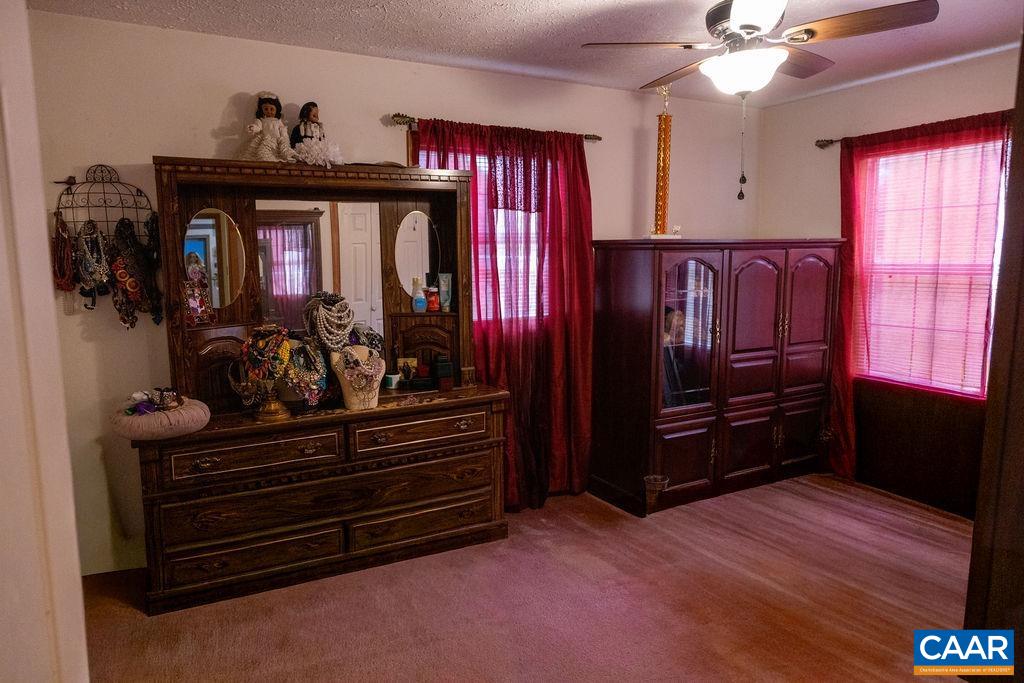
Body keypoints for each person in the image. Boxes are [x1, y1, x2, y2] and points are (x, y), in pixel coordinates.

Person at [238, 92, 297, 162]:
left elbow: (283, 131)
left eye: (271, 109)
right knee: (262, 152)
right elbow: (258, 127)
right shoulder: (261, 120)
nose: (269, 111)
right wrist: (253, 128)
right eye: (266, 109)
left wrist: (285, 139)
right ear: (262, 110)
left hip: (277, 142)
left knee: (280, 152)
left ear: (276, 109)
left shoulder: (278, 121)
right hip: (265, 141)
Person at [290, 100, 344, 167]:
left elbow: (322, 140)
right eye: (314, 115)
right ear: (306, 114)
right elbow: (294, 142)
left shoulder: (319, 128)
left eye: (317, 115)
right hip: (305, 153)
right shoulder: (299, 128)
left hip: (318, 154)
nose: (317, 118)